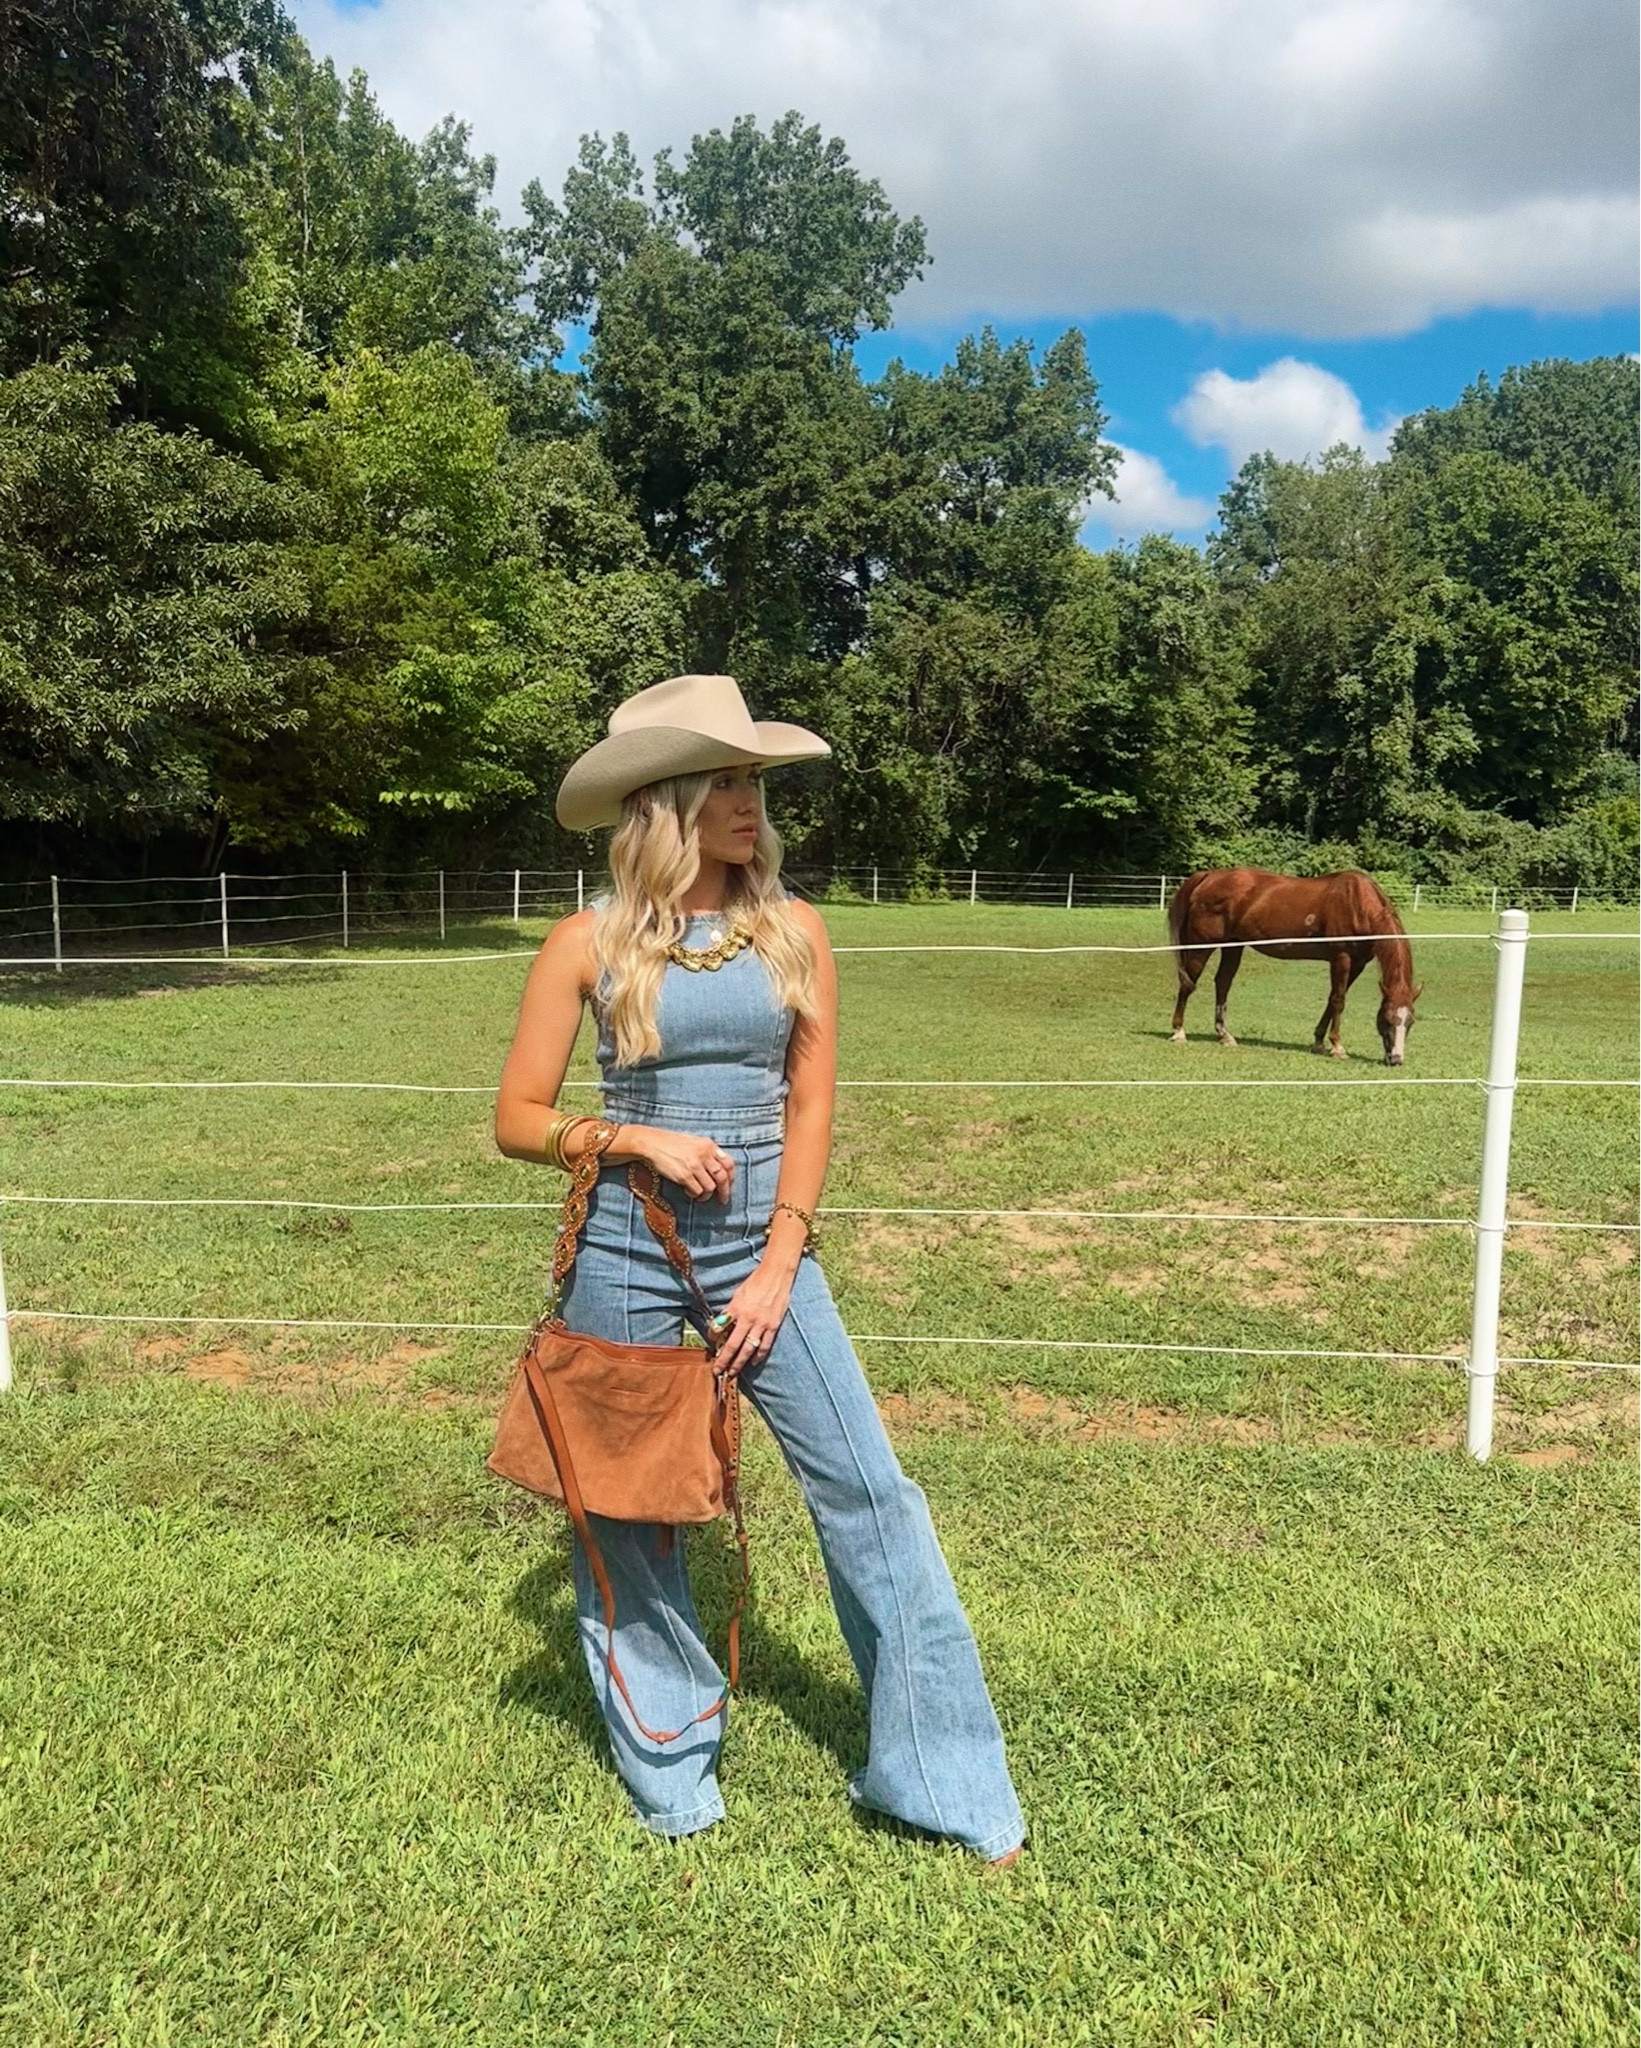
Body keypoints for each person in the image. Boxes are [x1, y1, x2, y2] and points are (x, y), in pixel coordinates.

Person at [495, 673, 1024, 1861]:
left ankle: (943, 1778)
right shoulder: (586, 943)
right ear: (667, 802)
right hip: (627, 1243)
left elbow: (811, 1103)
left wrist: (783, 1254)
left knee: (872, 1493)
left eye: (755, 781)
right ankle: (671, 1767)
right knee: (629, 1519)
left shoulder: (794, 930)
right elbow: (516, 1116)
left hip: (764, 1250)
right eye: (727, 781)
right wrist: (631, 1137)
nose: (752, 804)